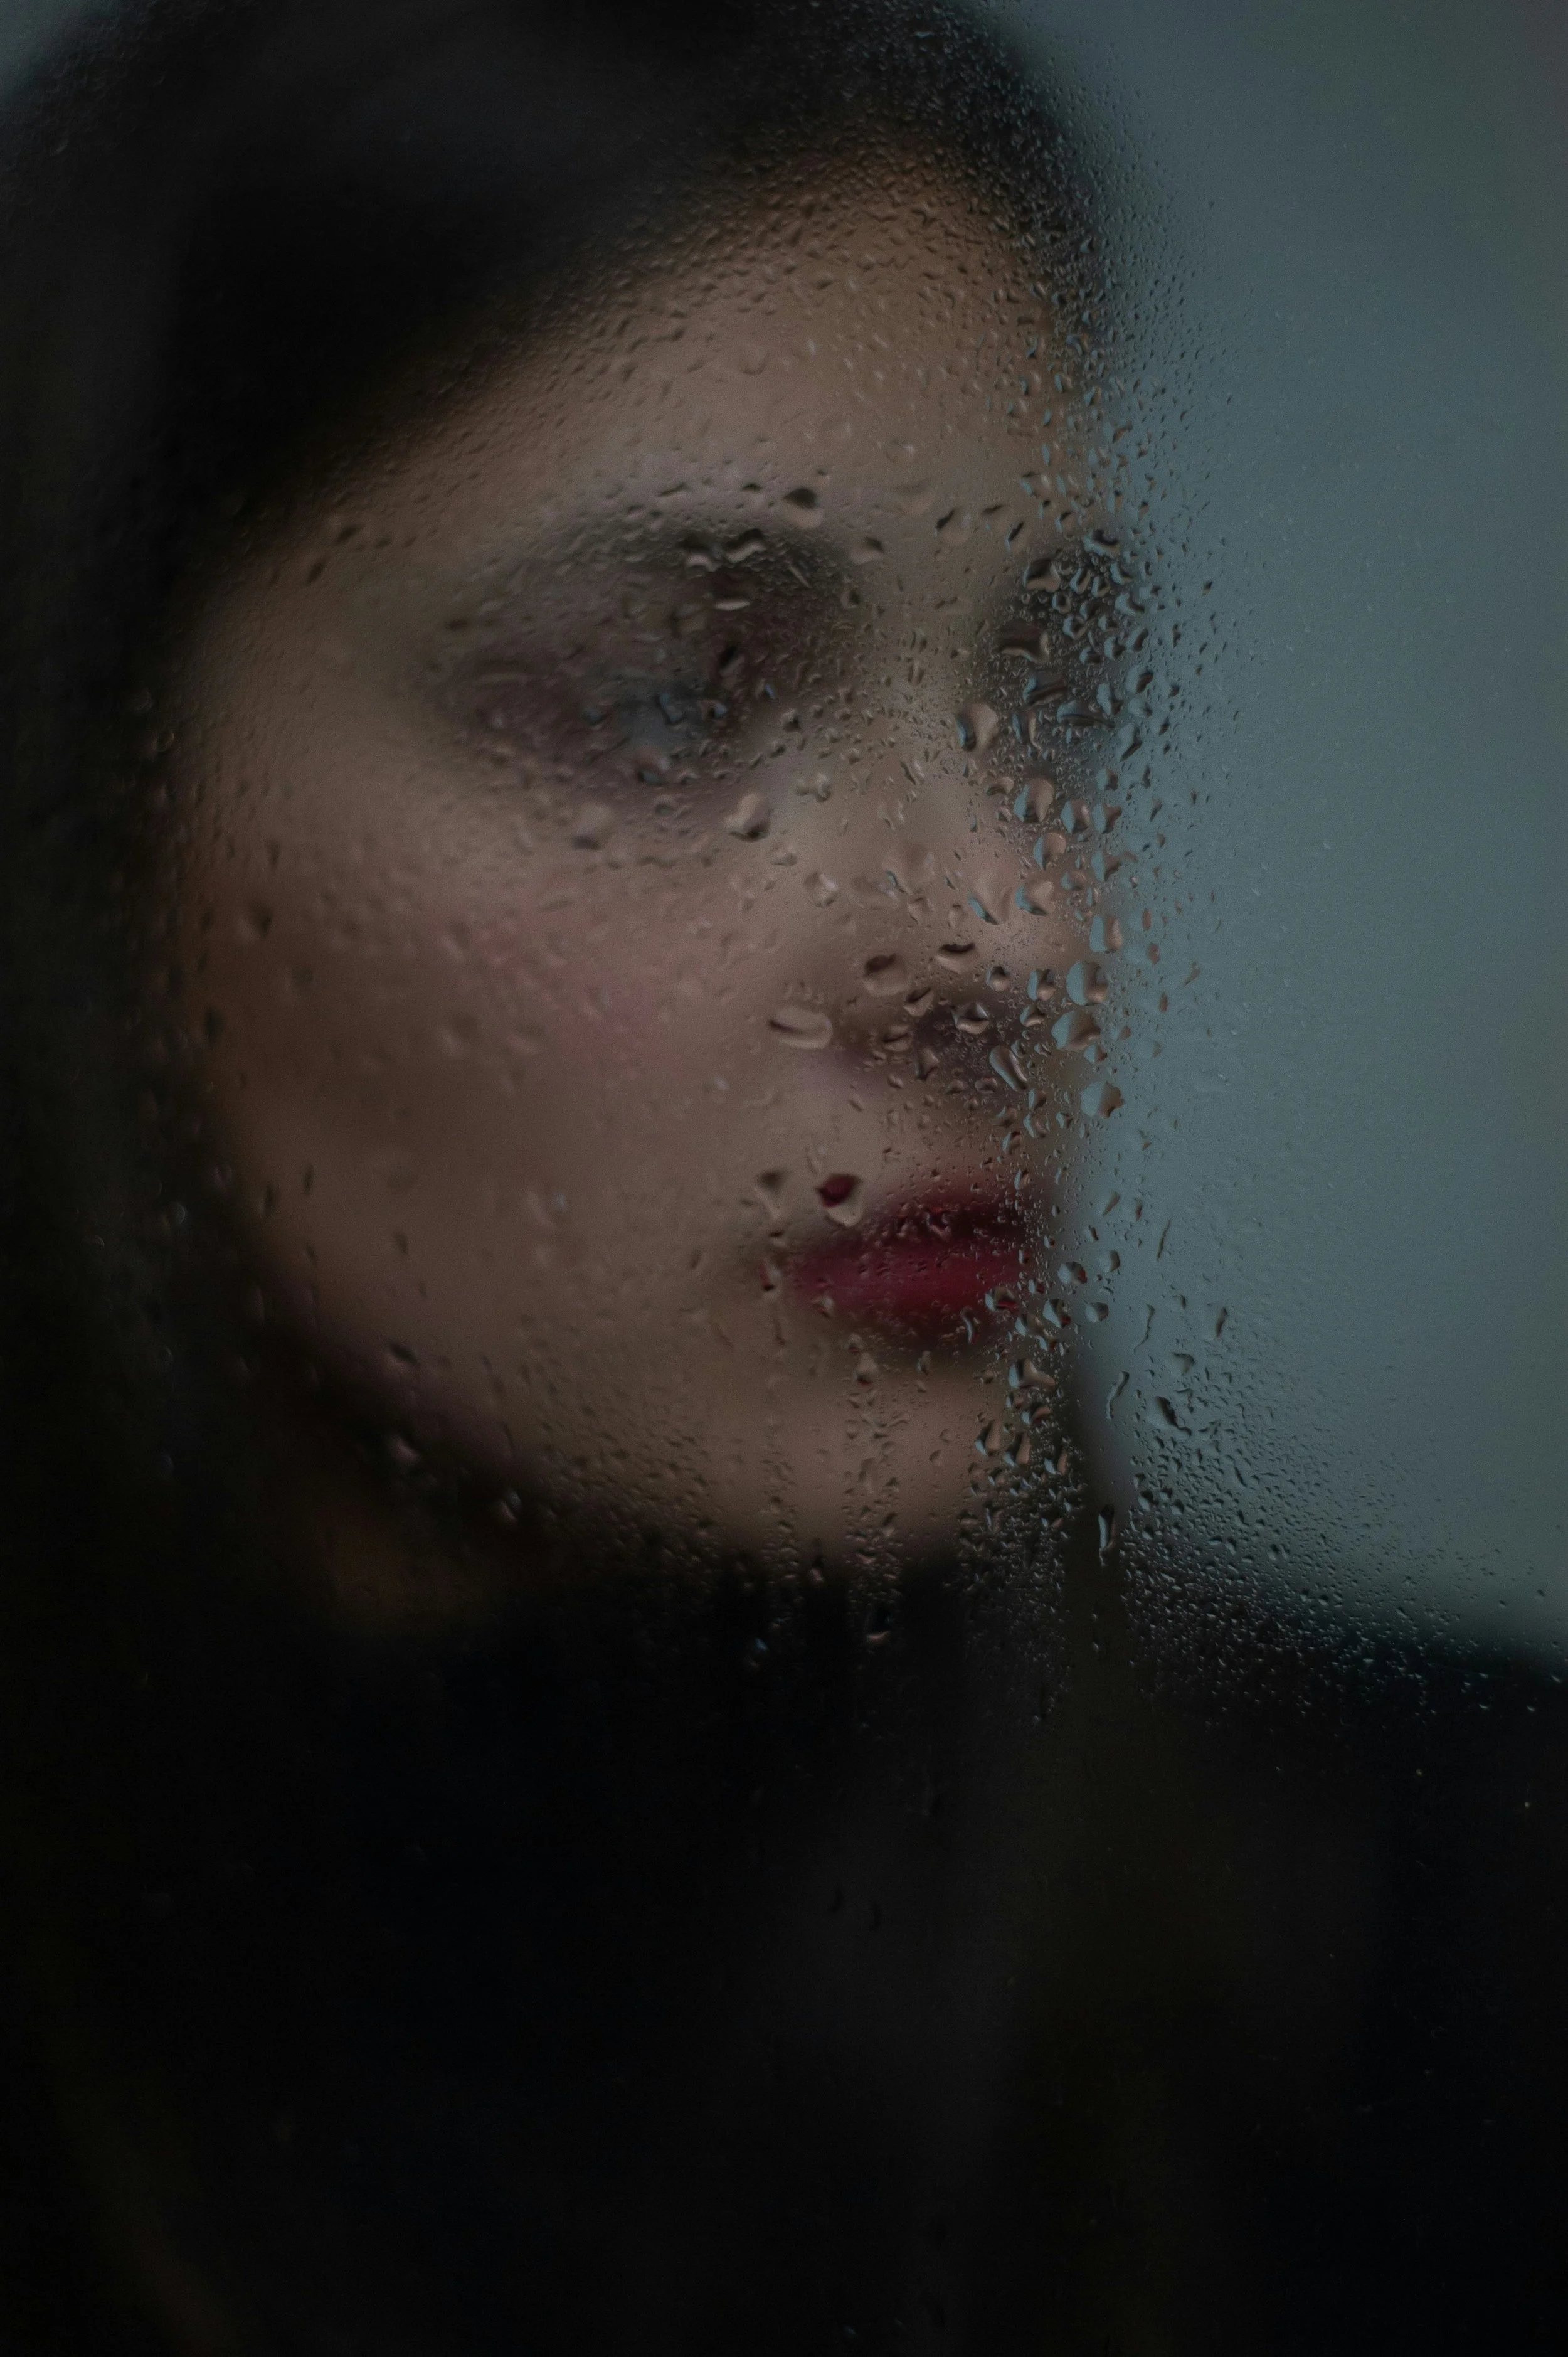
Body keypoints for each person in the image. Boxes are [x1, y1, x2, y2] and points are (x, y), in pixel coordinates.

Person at [1, 4, 1567, 2351]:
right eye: (662, 694)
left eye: (1040, 696)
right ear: (88, 841)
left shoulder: (1467, 1922)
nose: (1012, 936)